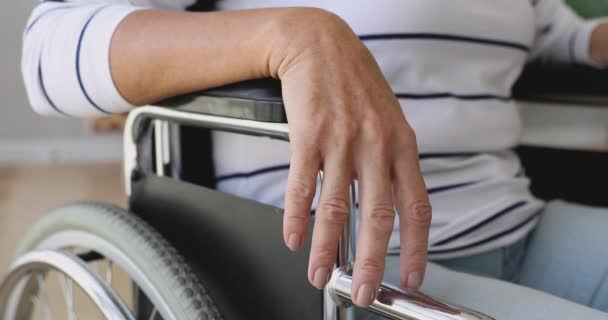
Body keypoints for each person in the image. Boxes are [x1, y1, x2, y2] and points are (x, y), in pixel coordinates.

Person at [21, 0, 608, 318]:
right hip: (353, 269)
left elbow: (547, 26)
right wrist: (292, 34)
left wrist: (588, 38)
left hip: (518, 224)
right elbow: (48, 54)